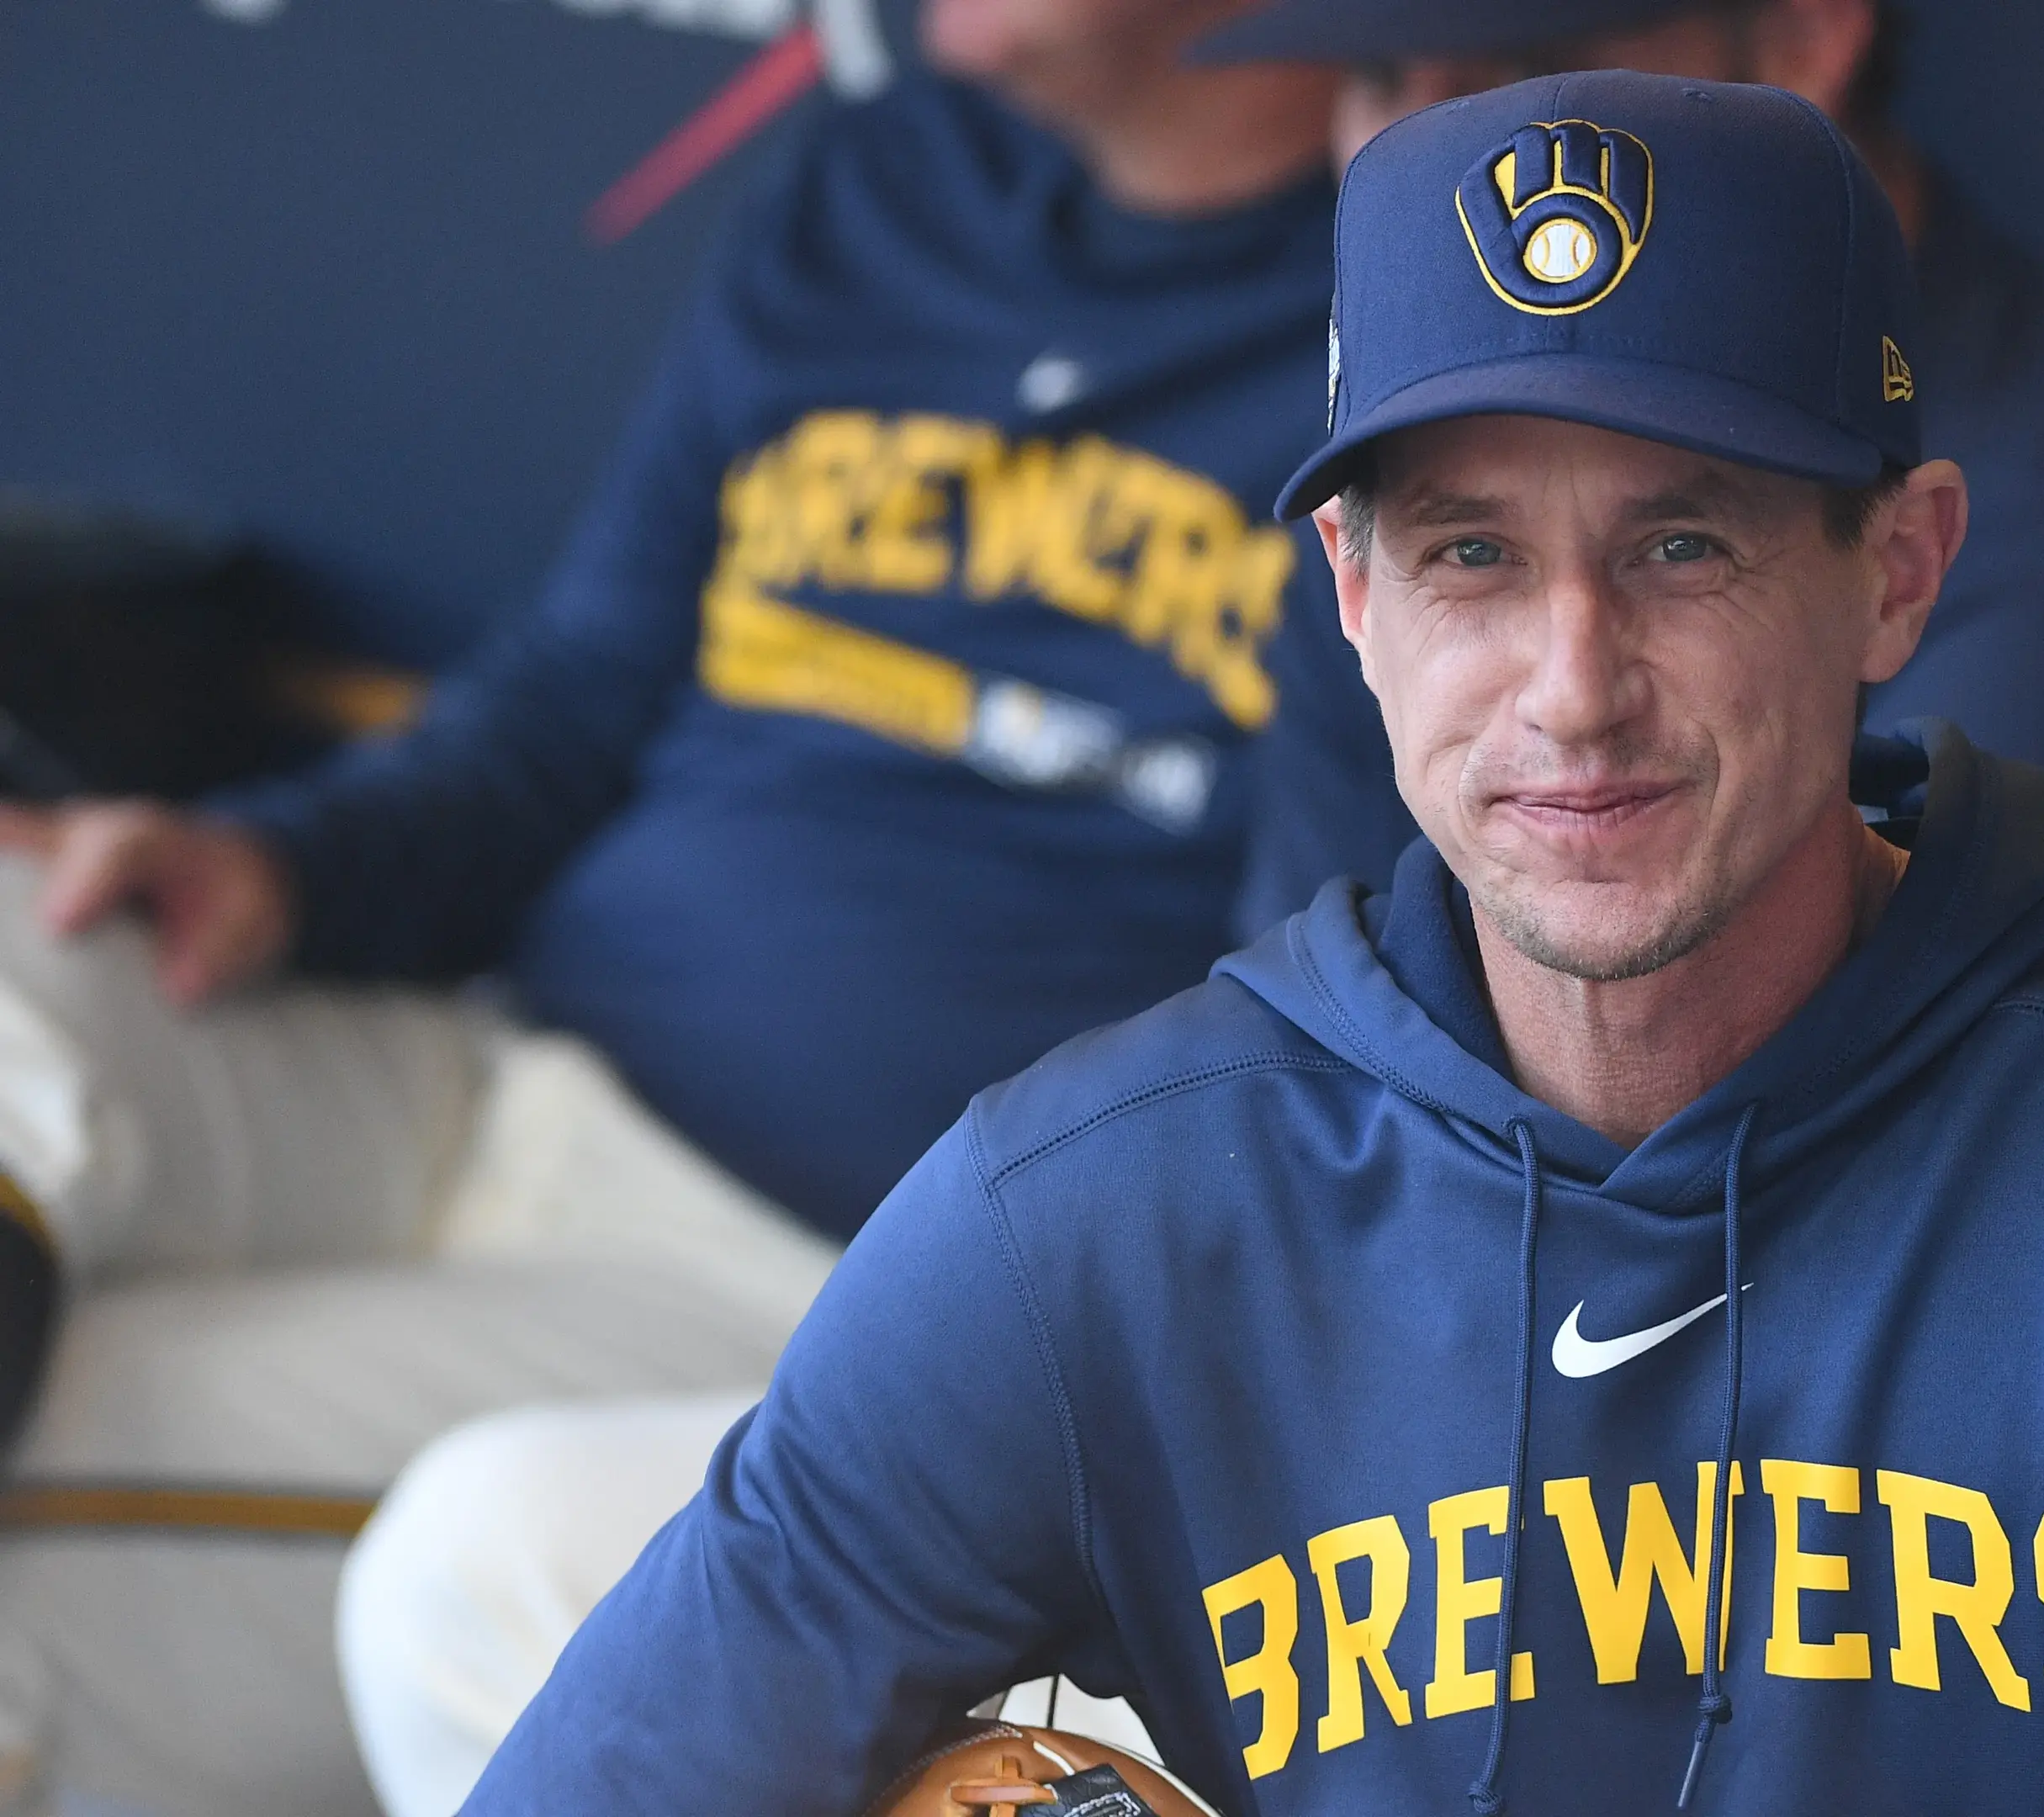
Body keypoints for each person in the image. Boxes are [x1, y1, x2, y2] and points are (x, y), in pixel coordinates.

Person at [466, 72, 2044, 1815]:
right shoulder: (1097, 1201)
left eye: (1683, 544)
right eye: (1473, 555)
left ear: (1896, 575)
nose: (1574, 685)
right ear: (1353, 601)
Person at [0, 4, 1339, 1812]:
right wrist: (285, 864)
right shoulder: (878, 185)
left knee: (80, 1460)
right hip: (485, 1062)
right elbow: (571, 697)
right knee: (23, 936)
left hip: (799, 1265)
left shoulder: (1405, 314)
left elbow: (1315, 1033)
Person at [1207, 0, 2044, 1115]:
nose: (1447, 150)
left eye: (1526, 61)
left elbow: (1865, 1224)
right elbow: (1315, 1113)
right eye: (1378, 79)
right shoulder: (1396, 487)